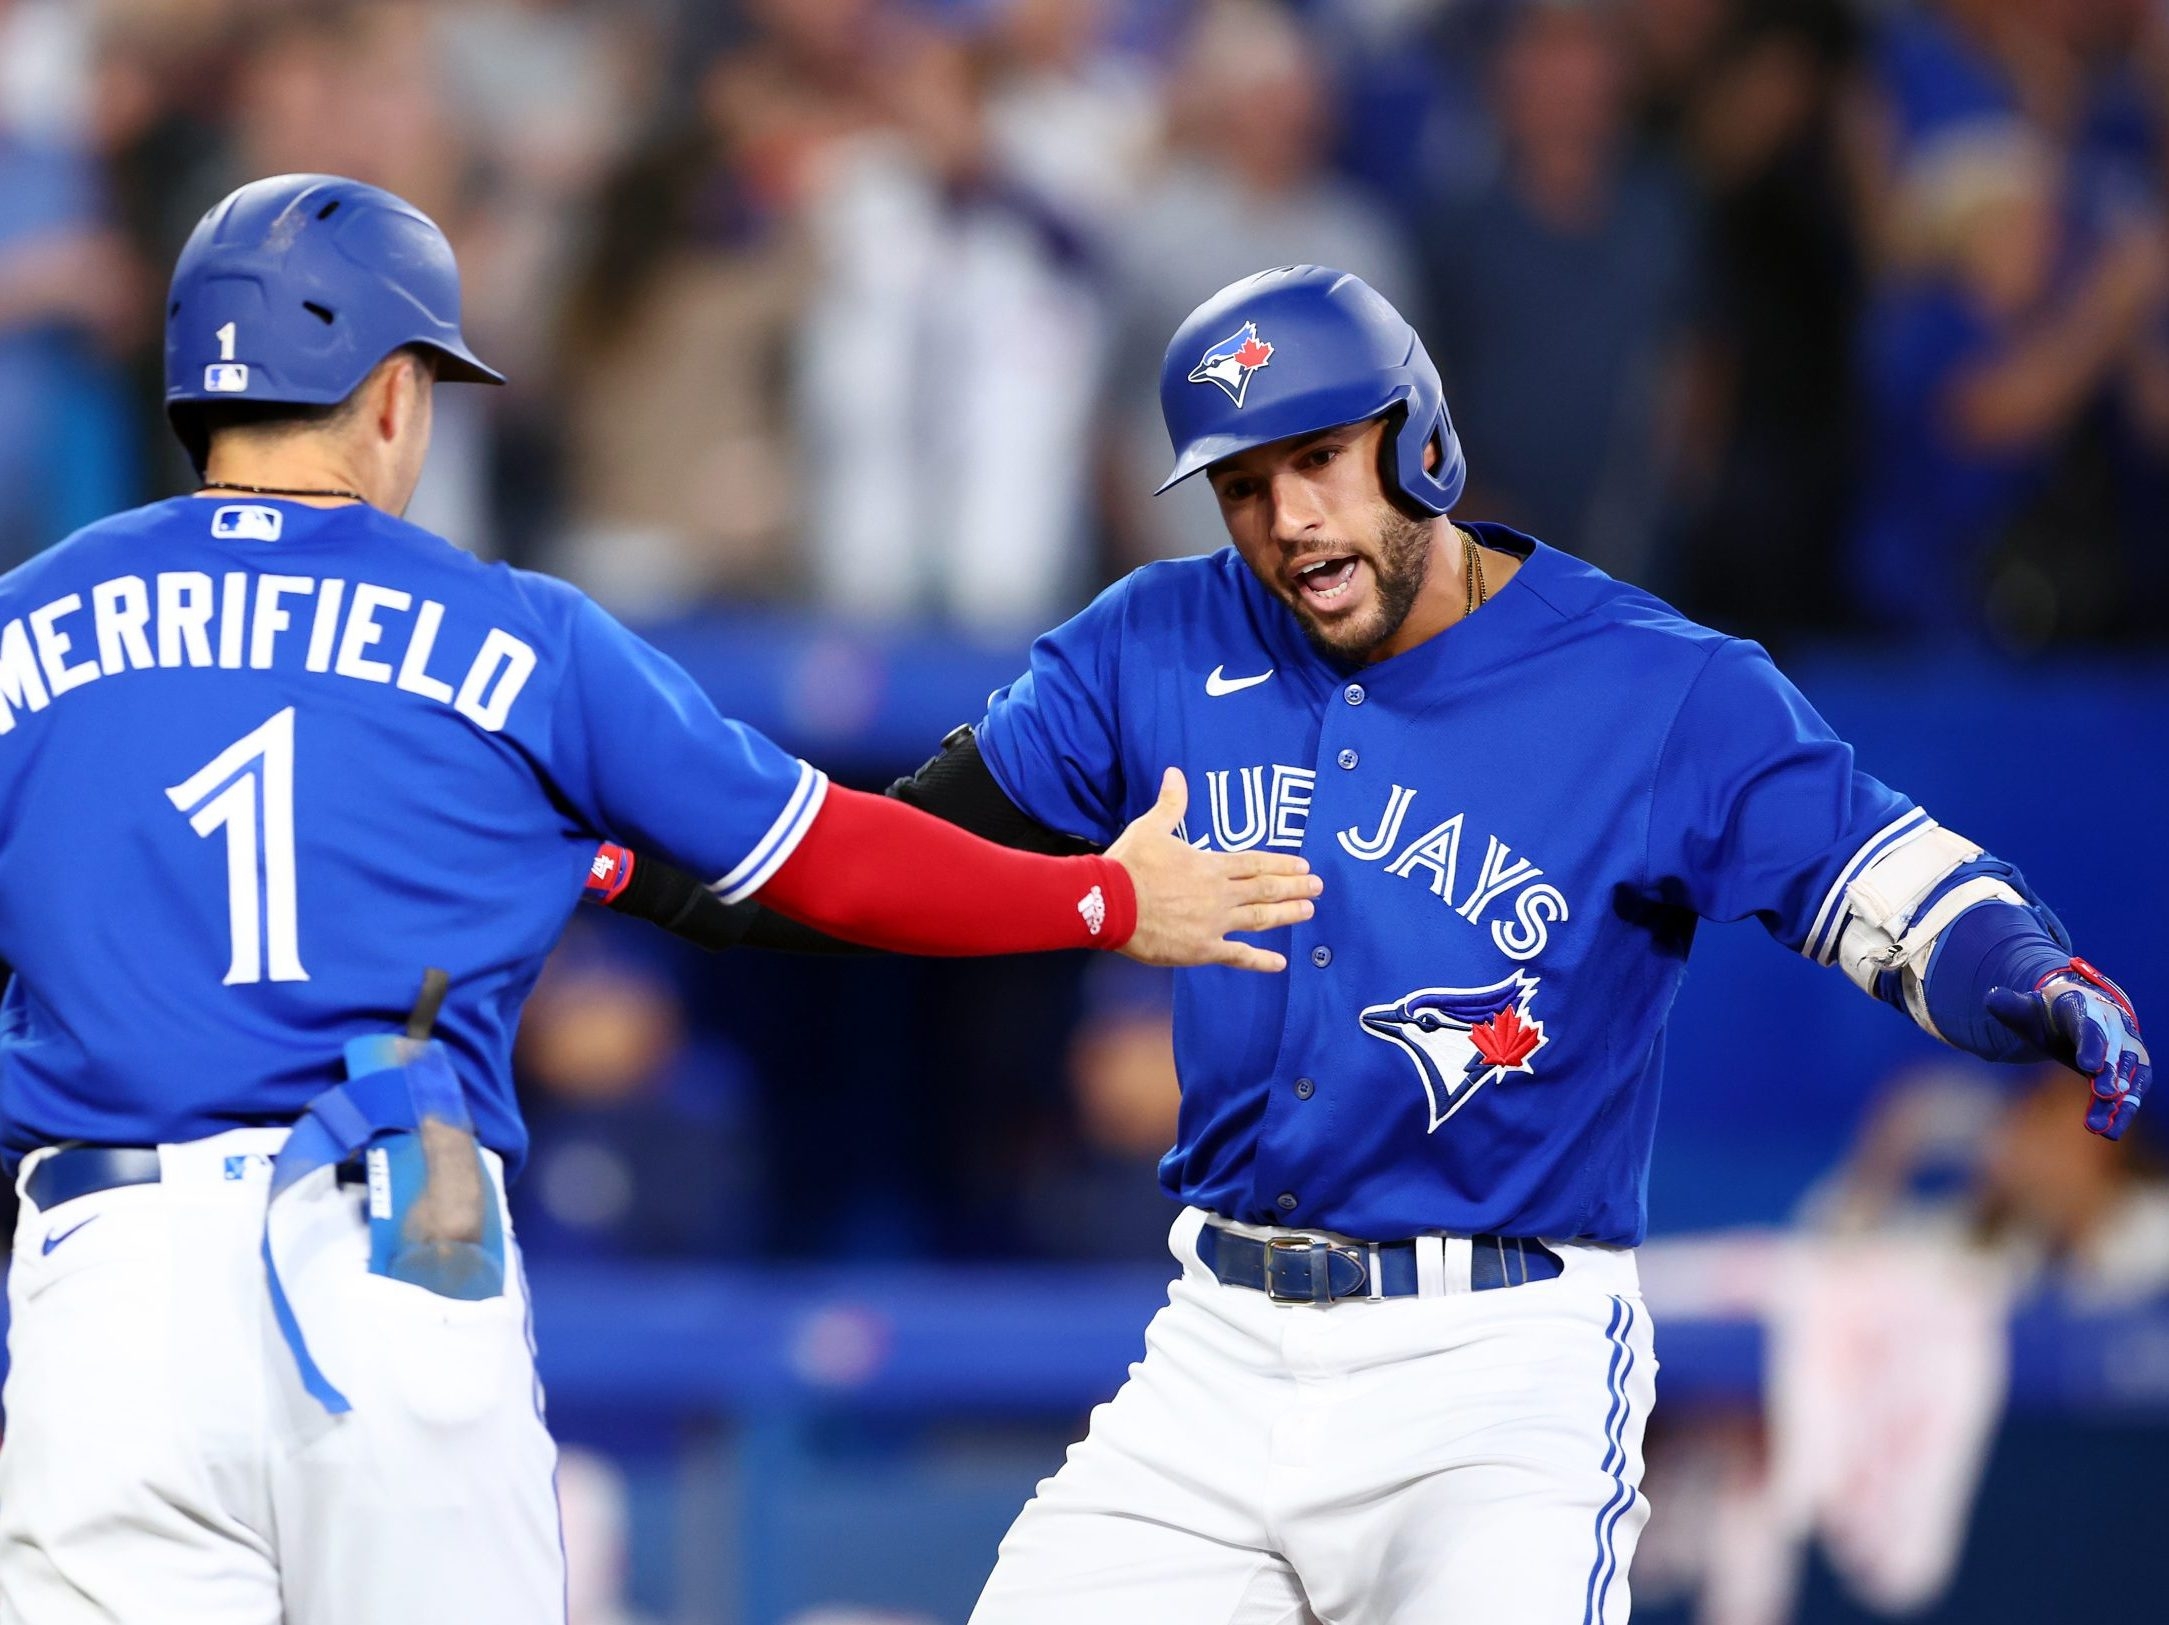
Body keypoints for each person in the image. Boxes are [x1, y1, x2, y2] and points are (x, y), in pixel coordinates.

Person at [619, 264, 2150, 1622]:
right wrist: (622, 859)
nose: (1288, 521)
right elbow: (892, 856)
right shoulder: (1154, 640)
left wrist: (2025, 976)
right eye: (1241, 484)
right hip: (1218, 1344)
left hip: (1496, 1370)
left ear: (1417, 441)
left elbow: (1880, 881)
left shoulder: (1658, 688)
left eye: (1319, 459)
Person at [0, 173, 1321, 1625]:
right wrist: (1098, 901)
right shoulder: (517, 632)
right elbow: (836, 857)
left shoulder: (27, 624)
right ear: (389, 393)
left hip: (107, 1275)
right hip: (394, 1236)